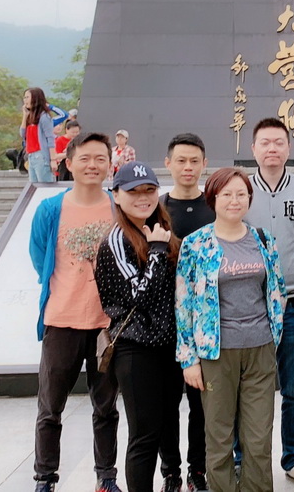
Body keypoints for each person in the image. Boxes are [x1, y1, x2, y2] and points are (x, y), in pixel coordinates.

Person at [176, 167, 286, 492]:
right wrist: (189, 359)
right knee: (219, 437)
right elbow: (184, 303)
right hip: (215, 353)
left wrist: (274, 336)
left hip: (259, 349)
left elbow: (277, 291)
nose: (234, 200)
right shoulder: (196, 244)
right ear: (213, 199)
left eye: (241, 194)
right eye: (227, 194)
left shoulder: (263, 240)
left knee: (258, 438)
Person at [28, 132, 121, 492]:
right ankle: (45, 478)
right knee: (50, 408)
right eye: (85, 158)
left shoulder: (118, 208)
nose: (93, 165)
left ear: (110, 164)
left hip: (106, 325)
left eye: (100, 158)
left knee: (106, 407)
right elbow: (40, 257)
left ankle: (106, 476)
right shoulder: (51, 209)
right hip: (61, 321)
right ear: (69, 163)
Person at [244, 117, 294, 489]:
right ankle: (243, 460)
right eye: (265, 142)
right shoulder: (240, 189)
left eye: (279, 142)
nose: (272, 148)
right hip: (251, 306)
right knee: (250, 389)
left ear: (289, 148)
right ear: (253, 148)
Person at [94, 161, 183, 492]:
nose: (143, 198)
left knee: (169, 420)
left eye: (149, 190)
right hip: (136, 349)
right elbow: (140, 295)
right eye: (133, 192)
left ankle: (173, 477)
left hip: (169, 346)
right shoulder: (117, 240)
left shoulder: (161, 230)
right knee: (144, 434)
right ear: (116, 195)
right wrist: (157, 250)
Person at [159, 133, 215, 491]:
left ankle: (198, 470)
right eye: (181, 160)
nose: (188, 167)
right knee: (166, 403)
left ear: (204, 164)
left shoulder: (215, 207)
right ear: (168, 164)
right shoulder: (157, 209)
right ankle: (171, 472)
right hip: (164, 321)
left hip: (204, 323)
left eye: (194, 161)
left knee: (202, 403)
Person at [21, 87, 58, 183]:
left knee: (44, 185)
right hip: (31, 156)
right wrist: (25, 116)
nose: (25, 100)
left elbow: (50, 139)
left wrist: (53, 160)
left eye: (27, 97)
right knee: (34, 186)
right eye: (24, 97)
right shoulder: (30, 117)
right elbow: (22, 134)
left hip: (41, 155)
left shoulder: (44, 117)